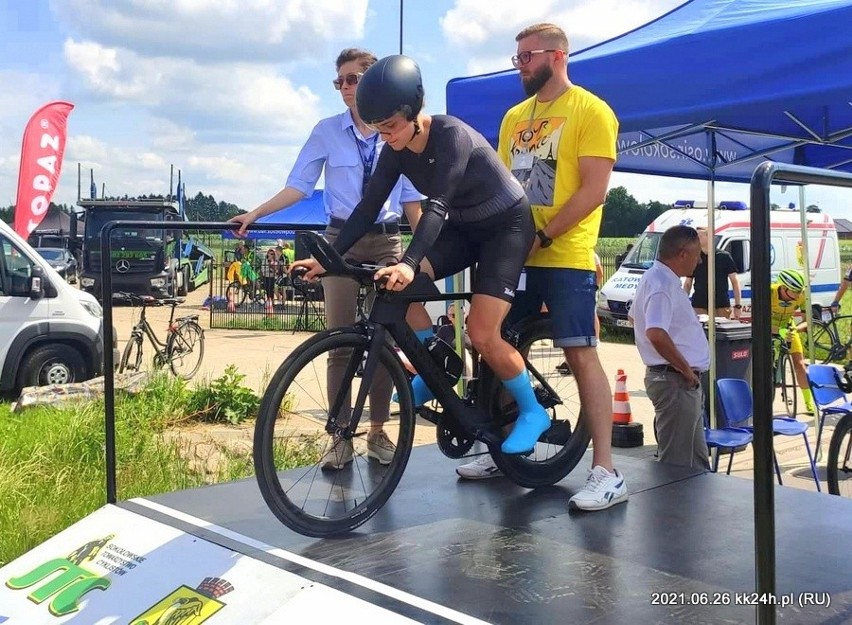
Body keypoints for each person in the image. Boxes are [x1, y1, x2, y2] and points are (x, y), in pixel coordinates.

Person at [292, 54, 552, 460]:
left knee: (483, 334)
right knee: (395, 290)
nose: (386, 138)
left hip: (505, 228)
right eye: (378, 130)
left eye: (392, 128)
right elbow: (365, 210)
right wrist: (328, 259)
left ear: (414, 111)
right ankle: (436, 366)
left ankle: (533, 411)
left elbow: (437, 208)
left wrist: (409, 262)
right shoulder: (392, 147)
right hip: (466, 229)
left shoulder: (451, 135)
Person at [458, 23, 627, 512]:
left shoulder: (591, 111)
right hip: (516, 252)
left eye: (525, 57)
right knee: (495, 344)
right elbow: (505, 184)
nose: (519, 66)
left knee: (579, 352)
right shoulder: (514, 117)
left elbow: (594, 190)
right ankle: (502, 442)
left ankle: (606, 470)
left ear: (556, 56)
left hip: (565, 252)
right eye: (516, 58)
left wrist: (546, 234)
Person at [229, 48, 424, 470]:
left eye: (352, 79)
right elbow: (298, 186)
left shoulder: (397, 129)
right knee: (338, 342)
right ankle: (339, 437)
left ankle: (377, 431)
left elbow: (412, 203)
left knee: (384, 344)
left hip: (387, 242)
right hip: (340, 239)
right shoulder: (326, 131)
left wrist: (422, 256)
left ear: (374, 82)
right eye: (340, 82)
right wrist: (256, 213)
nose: (345, 88)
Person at [630, 225, 710, 469]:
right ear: (683, 254)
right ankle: (671, 508)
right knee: (676, 465)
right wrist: (685, 369)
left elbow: (636, 318)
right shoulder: (662, 284)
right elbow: (655, 332)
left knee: (694, 462)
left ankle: (695, 505)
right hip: (675, 380)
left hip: (676, 378)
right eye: (697, 255)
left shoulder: (657, 278)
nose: (699, 261)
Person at [770, 268, 816, 415]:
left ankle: (809, 402)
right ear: (784, 288)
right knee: (766, 367)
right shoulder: (770, 292)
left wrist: (796, 330)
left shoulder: (802, 296)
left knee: (800, 364)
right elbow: (758, 319)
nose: (798, 295)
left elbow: (808, 321)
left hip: (789, 328)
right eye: (795, 291)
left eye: (799, 291)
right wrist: (780, 332)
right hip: (769, 328)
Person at [683, 226, 742, 319]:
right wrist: (683, 304)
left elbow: (735, 281)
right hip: (699, 304)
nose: (696, 239)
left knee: (721, 332)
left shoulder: (724, 256)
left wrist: (738, 305)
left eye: (699, 236)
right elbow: (687, 283)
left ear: (709, 237)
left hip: (720, 304)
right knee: (700, 332)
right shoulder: (694, 257)